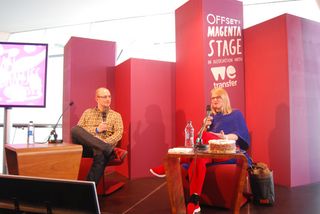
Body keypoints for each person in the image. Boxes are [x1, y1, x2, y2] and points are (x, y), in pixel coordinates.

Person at [150, 87, 251, 214]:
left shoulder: (236, 114)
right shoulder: (211, 117)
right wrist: (204, 126)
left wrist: (224, 137)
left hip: (228, 150)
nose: (214, 100)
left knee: (206, 137)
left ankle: (173, 161)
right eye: (213, 98)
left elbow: (240, 134)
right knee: (199, 158)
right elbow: (200, 140)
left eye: (218, 97)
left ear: (225, 98)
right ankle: (194, 202)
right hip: (209, 152)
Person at [71, 87, 123, 185]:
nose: (108, 99)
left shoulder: (116, 116)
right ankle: (108, 150)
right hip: (87, 148)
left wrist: (103, 142)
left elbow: (118, 133)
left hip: (101, 148)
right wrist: (96, 130)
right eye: (104, 97)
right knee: (74, 129)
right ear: (97, 99)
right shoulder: (88, 112)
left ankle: (87, 191)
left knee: (100, 153)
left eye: (109, 96)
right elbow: (79, 131)